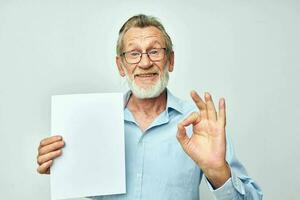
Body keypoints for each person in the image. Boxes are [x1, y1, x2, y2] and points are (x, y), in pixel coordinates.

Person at [36, 14, 263, 199]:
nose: (145, 63)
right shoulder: (94, 120)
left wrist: (218, 172)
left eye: (154, 51)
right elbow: (83, 179)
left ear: (170, 60)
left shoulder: (199, 124)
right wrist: (63, 165)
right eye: (134, 53)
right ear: (121, 65)